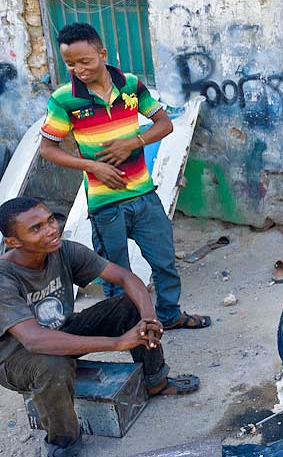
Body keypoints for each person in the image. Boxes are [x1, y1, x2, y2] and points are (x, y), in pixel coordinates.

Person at [0, 198, 200, 457]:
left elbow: (125, 277)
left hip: (61, 332)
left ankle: (155, 381)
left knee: (130, 304)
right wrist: (117, 343)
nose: (51, 230)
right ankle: (64, 445)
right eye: (36, 228)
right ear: (13, 242)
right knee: (54, 366)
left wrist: (148, 318)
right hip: (15, 357)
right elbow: (34, 341)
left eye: (50, 220)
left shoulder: (63, 251)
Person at [39, 23, 209, 331]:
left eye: (86, 62)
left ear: (102, 54)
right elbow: (48, 150)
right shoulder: (64, 99)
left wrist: (132, 142)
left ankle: (170, 315)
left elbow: (163, 124)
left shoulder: (131, 84)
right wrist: (94, 166)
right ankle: (128, 329)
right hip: (105, 204)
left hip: (144, 194)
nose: (78, 70)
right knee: (117, 274)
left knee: (164, 263)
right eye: (70, 64)